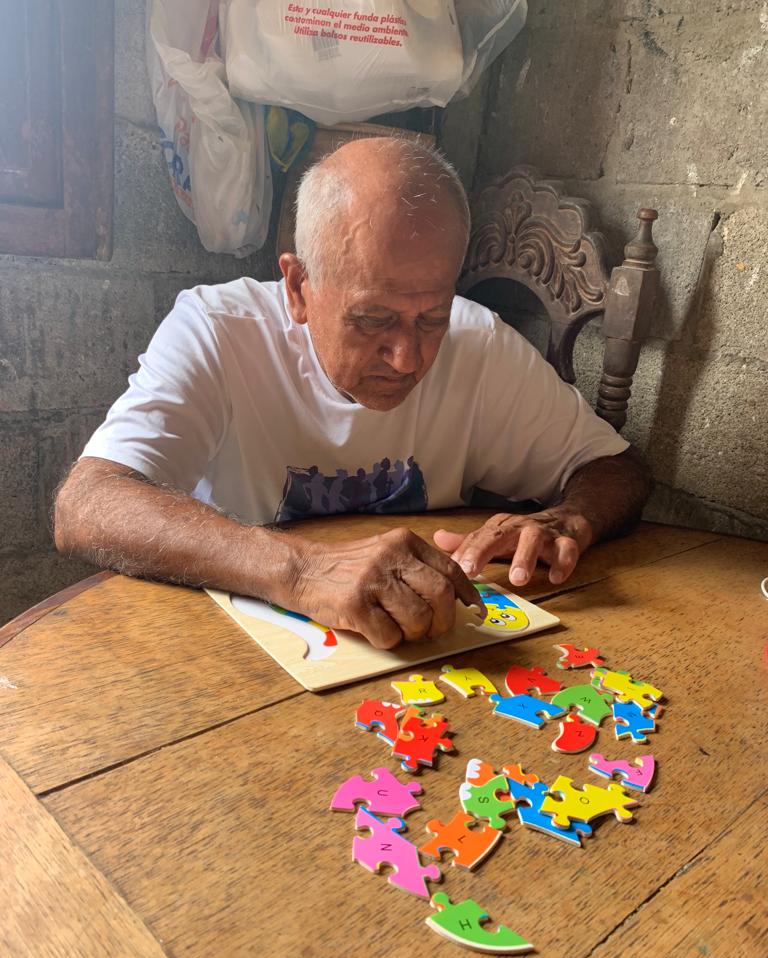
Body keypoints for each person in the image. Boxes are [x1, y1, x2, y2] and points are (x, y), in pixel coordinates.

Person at [54, 138, 651, 649]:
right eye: (372, 320)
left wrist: (568, 518)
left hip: (431, 652)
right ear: (298, 287)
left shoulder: (478, 340)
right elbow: (87, 504)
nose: (407, 358)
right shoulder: (218, 331)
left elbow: (614, 466)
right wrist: (300, 570)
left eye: (431, 318)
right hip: (245, 648)